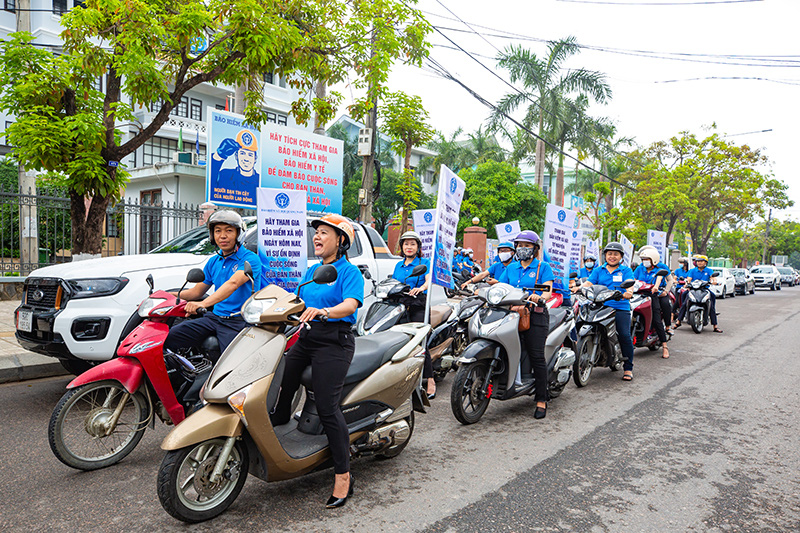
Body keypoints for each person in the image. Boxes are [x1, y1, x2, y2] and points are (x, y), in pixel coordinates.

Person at [270, 214, 364, 508]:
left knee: (327, 406)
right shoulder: (312, 270)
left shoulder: (349, 272)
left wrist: (324, 311)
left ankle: (343, 474)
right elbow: (297, 300)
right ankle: (280, 425)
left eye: (324, 233)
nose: (317, 237)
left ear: (341, 241)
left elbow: (350, 305)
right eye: (316, 233)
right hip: (307, 337)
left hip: (335, 341)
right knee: (283, 380)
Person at [164, 210, 262, 359]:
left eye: (229, 230)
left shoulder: (250, 259)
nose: (222, 236)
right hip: (214, 318)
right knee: (168, 338)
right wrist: (167, 296)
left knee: (230, 365)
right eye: (217, 231)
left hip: (237, 322)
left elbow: (233, 284)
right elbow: (196, 292)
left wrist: (202, 304)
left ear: (238, 234)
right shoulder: (213, 262)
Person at [497, 230, 554, 420]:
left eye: (527, 246)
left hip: (535, 315)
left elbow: (547, 291)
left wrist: (540, 297)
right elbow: (501, 287)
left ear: (535, 248)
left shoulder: (542, 267)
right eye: (519, 245)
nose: (523, 249)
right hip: (512, 314)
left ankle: (541, 399)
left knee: (536, 355)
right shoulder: (511, 268)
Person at [574, 242, 636, 381]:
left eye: (615, 254)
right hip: (600, 305)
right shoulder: (598, 270)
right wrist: (578, 289)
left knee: (624, 335)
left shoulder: (625, 270)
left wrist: (628, 292)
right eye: (609, 254)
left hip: (619, 306)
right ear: (605, 255)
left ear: (621, 257)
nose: (612, 256)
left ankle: (628, 368)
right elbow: (589, 283)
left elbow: (630, 284)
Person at [391, 231, 435, 399]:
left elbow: (428, 280)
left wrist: (421, 288)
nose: (409, 247)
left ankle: (430, 380)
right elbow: (394, 282)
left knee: (420, 343)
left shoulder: (424, 262)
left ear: (418, 247)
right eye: (406, 244)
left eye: (412, 244)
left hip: (418, 303)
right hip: (401, 304)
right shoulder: (398, 265)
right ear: (402, 247)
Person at [634, 248, 671, 358]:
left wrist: (656, 287)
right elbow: (633, 279)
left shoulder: (659, 269)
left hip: (653, 295)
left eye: (647, 259)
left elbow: (659, 279)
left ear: (653, 260)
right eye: (643, 259)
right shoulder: (640, 268)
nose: (644, 261)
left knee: (656, 319)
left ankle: (665, 346)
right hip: (639, 295)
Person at [210, 129, 260, 206]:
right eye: (242, 153)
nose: (246, 159)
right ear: (236, 156)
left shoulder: (260, 182)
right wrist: (218, 156)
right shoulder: (225, 175)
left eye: (250, 155)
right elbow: (210, 183)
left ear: (255, 158)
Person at [675, 254, 722, 333]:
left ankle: (715, 326)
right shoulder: (692, 271)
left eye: (701, 261)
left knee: (712, 301)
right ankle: (678, 321)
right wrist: (687, 284)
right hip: (693, 289)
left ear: (705, 263)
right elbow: (689, 279)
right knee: (684, 298)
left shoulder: (709, 270)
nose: (699, 263)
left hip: (704, 290)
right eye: (698, 261)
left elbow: (713, 278)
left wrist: (714, 281)